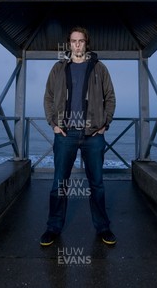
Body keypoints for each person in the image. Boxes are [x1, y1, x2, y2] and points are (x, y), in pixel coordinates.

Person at [40, 26, 117, 246]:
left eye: (81, 41)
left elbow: (110, 97)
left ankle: (103, 227)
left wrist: (105, 124)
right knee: (59, 183)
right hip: (65, 134)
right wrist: (53, 124)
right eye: (73, 41)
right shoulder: (58, 69)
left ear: (86, 44)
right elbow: (48, 97)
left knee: (97, 184)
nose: (77, 45)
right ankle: (53, 228)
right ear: (69, 44)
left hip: (93, 135)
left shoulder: (99, 68)